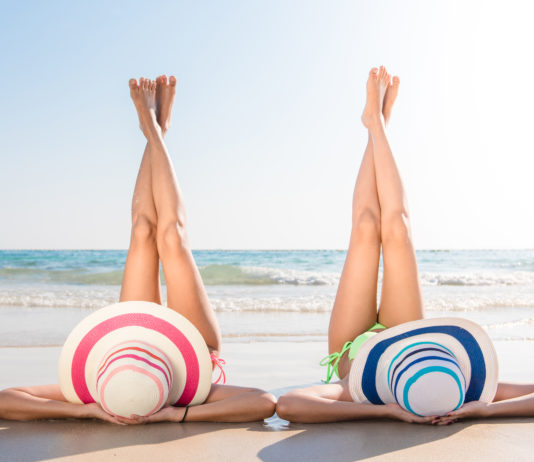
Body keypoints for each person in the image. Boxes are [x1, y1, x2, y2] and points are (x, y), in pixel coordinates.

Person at [0, 76, 276, 425]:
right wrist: (176, 415)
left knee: (142, 231)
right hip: (192, 351)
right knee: (172, 237)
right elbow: (263, 402)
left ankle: (154, 127)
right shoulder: (191, 391)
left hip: (130, 336)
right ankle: (157, 128)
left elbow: (5, 400)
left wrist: (85, 409)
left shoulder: (96, 391)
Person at [276, 66, 534, 425]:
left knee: (366, 227)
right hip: (410, 332)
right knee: (398, 228)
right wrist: (486, 407)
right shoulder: (460, 386)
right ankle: (379, 123)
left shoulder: (364, 390)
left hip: (353, 348)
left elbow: (289, 405)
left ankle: (376, 122)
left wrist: (383, 410)